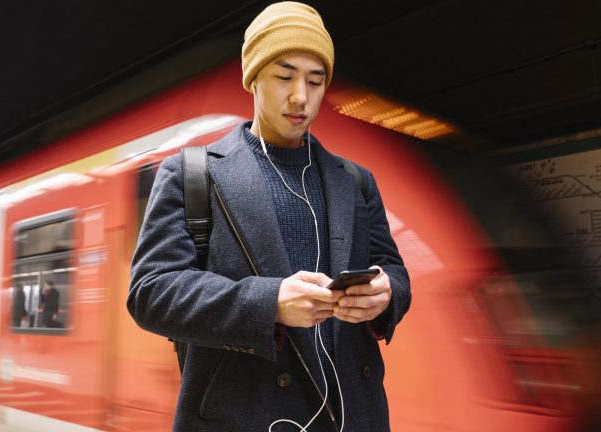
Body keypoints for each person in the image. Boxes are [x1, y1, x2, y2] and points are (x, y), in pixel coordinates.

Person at [127, 2, 411, 431]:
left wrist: (388, 294)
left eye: (315, 81)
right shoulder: (193, 174)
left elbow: (393, 269)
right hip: (243, 415)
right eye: (284, 76)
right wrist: (269, 303)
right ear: (253, 78)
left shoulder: (355, 181)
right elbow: (150, 292)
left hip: (352, 416)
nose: (301, 96)